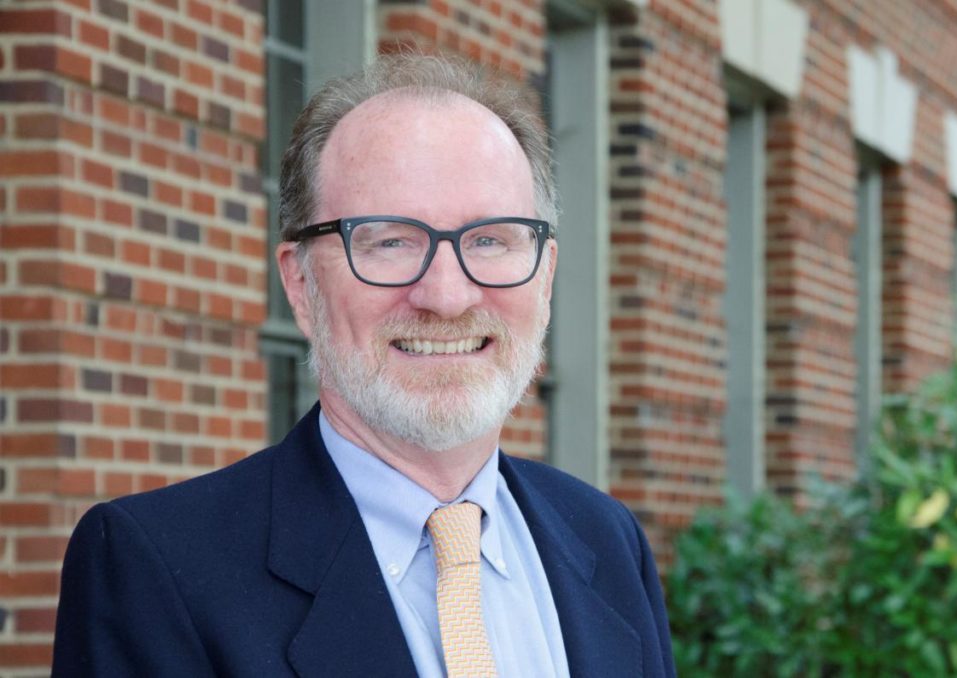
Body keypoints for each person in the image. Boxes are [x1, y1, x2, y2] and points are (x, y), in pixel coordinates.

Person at [52, 54, 675, 677]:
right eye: (388, 240)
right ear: (300, 284)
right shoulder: (155, 568)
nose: (447, 296)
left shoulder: (606, 539)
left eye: (490, 239)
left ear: (545, 275)